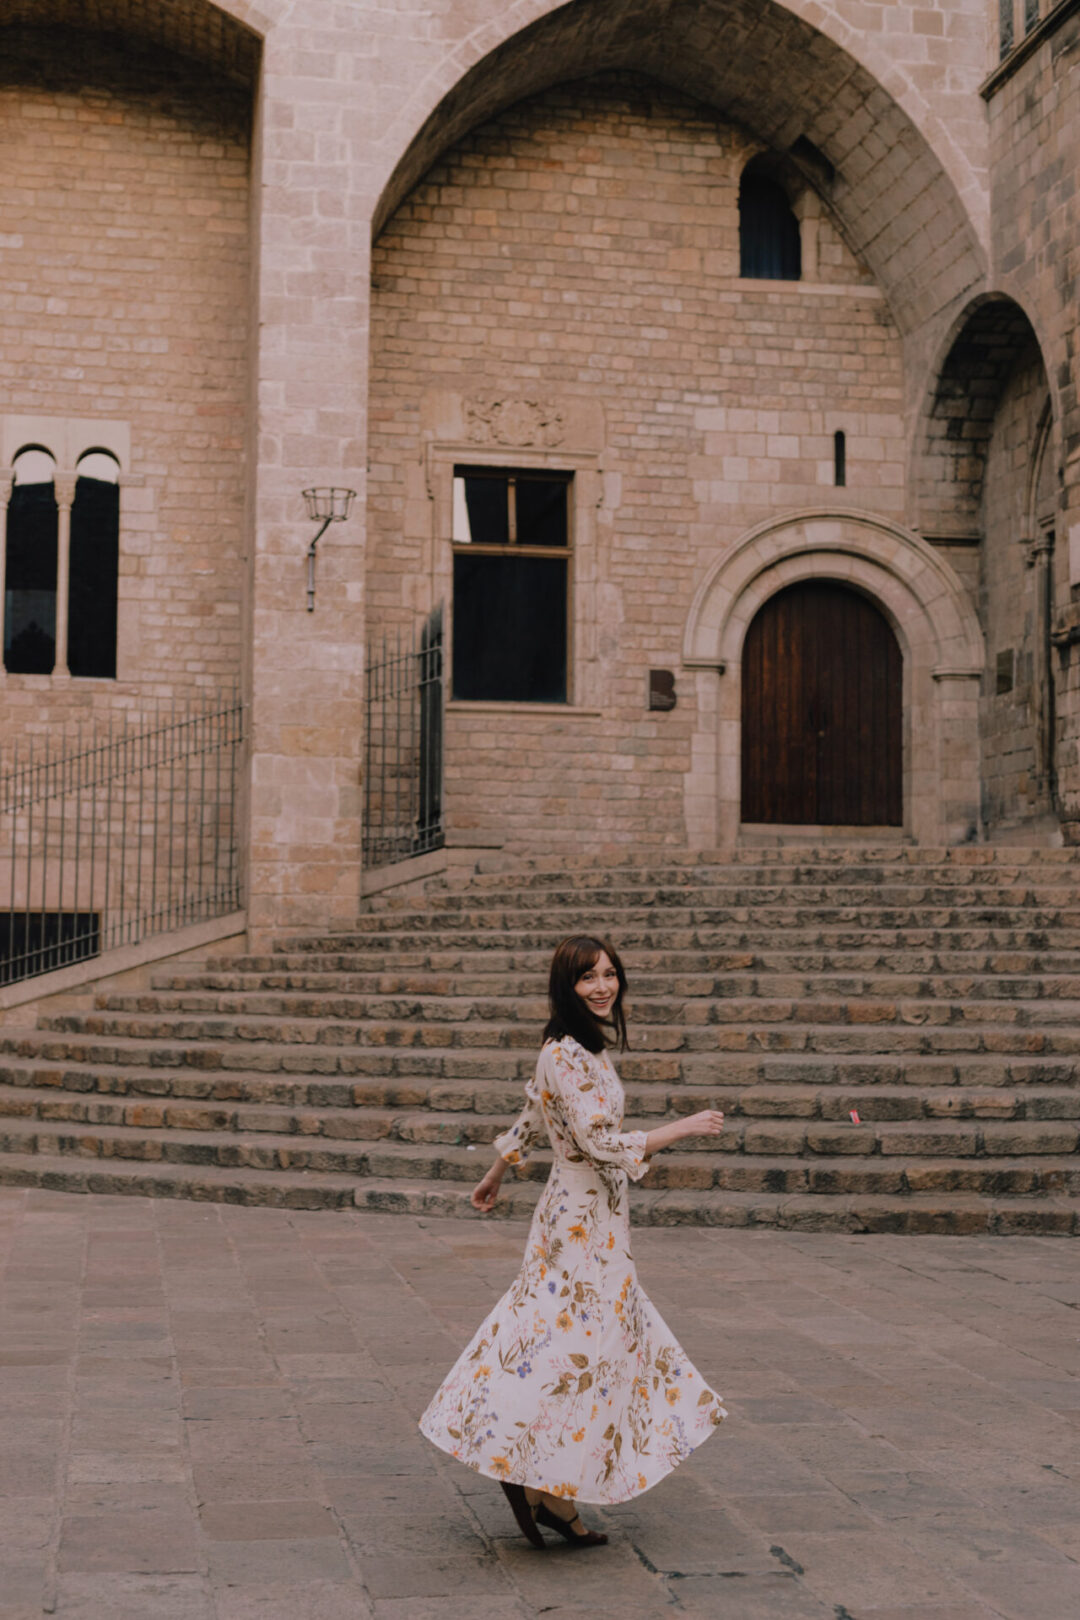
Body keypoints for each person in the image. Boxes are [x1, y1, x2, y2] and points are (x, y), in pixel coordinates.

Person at [419, 934, 726, 1549]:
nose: (603, 986)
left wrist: (497, 1169)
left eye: (610, 974)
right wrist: (682, 1129)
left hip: (593, 1216)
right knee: (580, 1345)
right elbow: (597, 1142)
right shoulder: (566, 1052)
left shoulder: (578, 1048)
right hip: (580, 1219)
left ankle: (551, 1490)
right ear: (567, 985)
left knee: (578, 1339)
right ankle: (519, 1459)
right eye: (588, 977)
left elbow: (532, 1114)